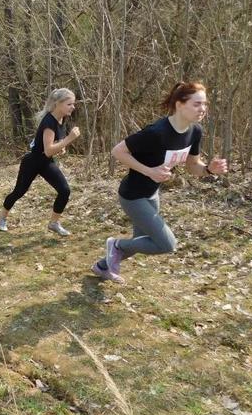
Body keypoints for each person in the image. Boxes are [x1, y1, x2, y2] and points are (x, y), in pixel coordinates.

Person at [91, 82, 228, 283]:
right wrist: (150, 171)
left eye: (205, 104)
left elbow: (193, 166)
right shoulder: (157, 132)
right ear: (180, 105)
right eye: (197, 104)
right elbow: (118, 151)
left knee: (142, 242)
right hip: (132, 195)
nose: (203, 109)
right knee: (166, 244)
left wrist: (208, 169)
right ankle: (116, 245)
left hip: (152, 194)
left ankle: (102, 266)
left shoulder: (194, 131)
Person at [0, 88, 80, 236]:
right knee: (19, 192)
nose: (73, 107)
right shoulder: (49, 121)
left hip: (47, 163)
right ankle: (2, 217)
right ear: (58, 104)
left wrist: (61, 148)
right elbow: (48, 150)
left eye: (73, 104)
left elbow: (52, 147)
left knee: (64, 191)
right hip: (33, 162)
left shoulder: (62, 118)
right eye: (69, 104)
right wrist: (68, 140)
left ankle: (54, 223)